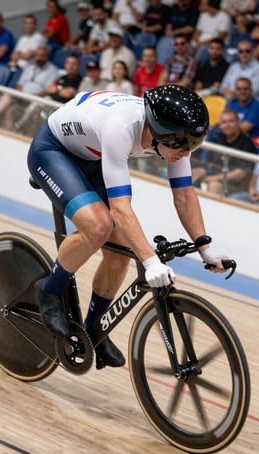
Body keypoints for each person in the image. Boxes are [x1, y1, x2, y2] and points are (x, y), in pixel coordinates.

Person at [27, 84, 233, 368]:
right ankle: (49, 290)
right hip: (54, 152)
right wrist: (150, 262)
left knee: (122, 249)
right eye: (181, 146)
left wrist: (205, 249)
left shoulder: (175, 139)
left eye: (193, 146)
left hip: (94, 156)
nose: (186, 154)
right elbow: (120, 209)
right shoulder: (121, 128)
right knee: (99, 226)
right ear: (159, 133)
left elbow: (184, 193)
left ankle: (94, 326)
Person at [0, 46, 58, 129]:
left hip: (36, 99)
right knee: (9, 100)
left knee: (11, 108)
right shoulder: (29, 67)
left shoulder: (52, 70)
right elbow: (19, 85)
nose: (39, 58)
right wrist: (20, 94)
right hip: (22, 96)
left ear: (47, 56)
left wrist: (33, 96)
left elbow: (47, 90)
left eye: (42, 56)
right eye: (37, 55)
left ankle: (0, 122)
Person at [192, 109, 257, 194]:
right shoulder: (220, 139)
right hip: (216, 176)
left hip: (236, 186)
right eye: (224, 122)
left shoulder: (247, 145)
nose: (227, 125)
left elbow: (240, 174)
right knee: (194, 174)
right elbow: (209, 163)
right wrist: (202, 171)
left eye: (231, 121)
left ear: (238, 123)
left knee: (214, 185)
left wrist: (216, 178)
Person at [6, 14, 46, 88]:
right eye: (26, 23)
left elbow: (28, 56)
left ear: (35, 25)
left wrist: (19, 54)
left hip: (28, 68)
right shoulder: (22, 38)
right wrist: (20, 55)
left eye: (31, 23)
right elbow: (13, 55)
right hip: (16, 65)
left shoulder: (39, 38)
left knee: (12, 83)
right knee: (4, 70)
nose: (29, 26)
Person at [156, 0, 199, 65]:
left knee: (170, 42)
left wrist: (174, 32)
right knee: (163, 40)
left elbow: (190, 29)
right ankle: (159, 66)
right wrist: (168, 31)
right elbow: (169, 24)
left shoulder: (193, 11)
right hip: (170, 36)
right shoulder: (174, 9)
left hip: (184, 38)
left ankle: (163, 66)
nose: (181, 1)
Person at [191, 0, 232, 65]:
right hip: (200, 41)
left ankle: (197, 67)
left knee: (203, 49)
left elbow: (221, 37)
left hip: (214, 43)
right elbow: (197, 31)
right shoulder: (203, 15)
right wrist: (195, 40)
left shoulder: (224, 17)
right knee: (188, 46)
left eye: (203, 4)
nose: (200, 7)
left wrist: (202, 43)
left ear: (210, 6)